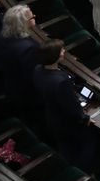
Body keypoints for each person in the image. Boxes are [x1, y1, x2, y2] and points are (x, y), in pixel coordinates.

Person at [31, 39, 95, 171]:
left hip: (52, 116)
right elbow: (71, 106)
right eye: (61, 50)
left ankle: (68, 170)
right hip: (69, 123)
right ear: (55, 56)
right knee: (87, 145)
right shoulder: (61, 81)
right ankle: (84, 174)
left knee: (65, 147)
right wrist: (85, 119)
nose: (64, 51)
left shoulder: (38, 69)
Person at [0, 5, 39, 115]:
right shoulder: (28, 48)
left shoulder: (4, 36)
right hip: (28, 93)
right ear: (23, 23)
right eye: (32, 17)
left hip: (11, 84)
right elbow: (33, 75)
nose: (34, 16)